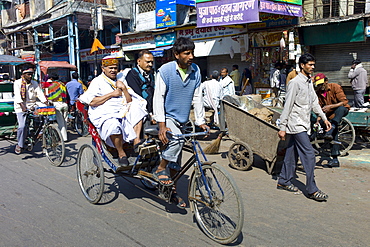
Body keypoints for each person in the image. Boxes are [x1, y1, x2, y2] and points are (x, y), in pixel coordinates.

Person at [152, 37, 208, 208]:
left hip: (184, 119)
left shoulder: (196, 71)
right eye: (187, 53)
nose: (191, 56)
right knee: (176, 140)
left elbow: (198, 97)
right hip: (168, 116)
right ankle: (161, 168)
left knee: (177, 161)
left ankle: (172, 193)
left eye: (192, 53)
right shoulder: (165, 71)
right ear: (177, 54)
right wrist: (162, 125)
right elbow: (158, 97)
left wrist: (201, 121)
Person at [277, 53, 331, 202]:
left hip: (304, 123)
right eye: (310, 65)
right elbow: (287, 106)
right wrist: (283, 126)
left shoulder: (309, 82)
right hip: (296, 124)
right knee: (309, 154)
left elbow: (314, 103)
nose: (312, 67)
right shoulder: (295, 83)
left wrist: (324, 119)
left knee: (291, 152)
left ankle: (283, 180)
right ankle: (312, 189)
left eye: (313, 65)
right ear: (302, 65)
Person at [79, 56, 147, 171]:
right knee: (113, 124)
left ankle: (136, 142)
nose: (113, 70)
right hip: (105, 113)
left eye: (115, 68)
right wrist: (111, 94)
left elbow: (130, 100)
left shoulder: (120, 80)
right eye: (110, 68)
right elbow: (91, 101)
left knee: (137, 107)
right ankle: (121, 153)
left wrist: (124, 89)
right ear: (103, 68)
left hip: (122, 110)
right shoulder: (97, 82)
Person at [313, 73, 350, 167]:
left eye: (322, 84)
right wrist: (318, 120)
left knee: (340, 110)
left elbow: (344, 102)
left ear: (326, 81)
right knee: (332, 130)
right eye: (319, 84)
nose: (321, 86)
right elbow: (320, 109)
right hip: (329, 116)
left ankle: (332, 127)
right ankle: (335, 159)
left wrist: (331, 106)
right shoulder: (318, 93)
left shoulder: (335, 87)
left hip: (340, 111)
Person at [13, 66, 48, 154]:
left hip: (33, 105)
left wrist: (45, 102)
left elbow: (39, 94)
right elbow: (17, 96)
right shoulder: (17, 83)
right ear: (23, 75)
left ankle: (38, 133)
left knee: (43, 117)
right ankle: (20, 144)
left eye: (31, 74)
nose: (30, 76)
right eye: (28, 74)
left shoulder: (34, 83)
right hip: (21, 107)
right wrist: (22, 106)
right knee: (22, 126)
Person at [123, 50, 155, 116]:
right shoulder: (132, 75)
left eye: (152, 62)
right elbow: (137, 96)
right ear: (139, 61)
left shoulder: (151, 74)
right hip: (141, 112)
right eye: (148, 62)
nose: (150, 64)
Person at [43, 73, 69, 141]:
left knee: (61, 122)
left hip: (57, 104)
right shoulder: (63, 84)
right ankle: (65, 135)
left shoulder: (52, 85)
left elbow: (50, 97)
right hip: (65, 104)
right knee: (65, 121)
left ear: (51, 78)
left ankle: (64, 138)